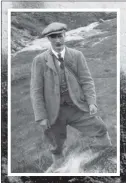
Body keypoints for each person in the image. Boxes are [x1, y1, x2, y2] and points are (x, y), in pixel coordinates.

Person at [30, 22, 112, 173]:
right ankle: (59, 170)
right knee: (56, 145)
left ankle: (105, 160)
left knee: (100, 128)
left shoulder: (76, 55)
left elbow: (87, 81)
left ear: (65, 36)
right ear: (49, 39)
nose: (58, 41)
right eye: (53, 37)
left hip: (77, 107)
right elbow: (36, 91)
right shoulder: (40, 60)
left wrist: (92, 102)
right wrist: (41, 116)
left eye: (60, 36)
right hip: (54, 112)